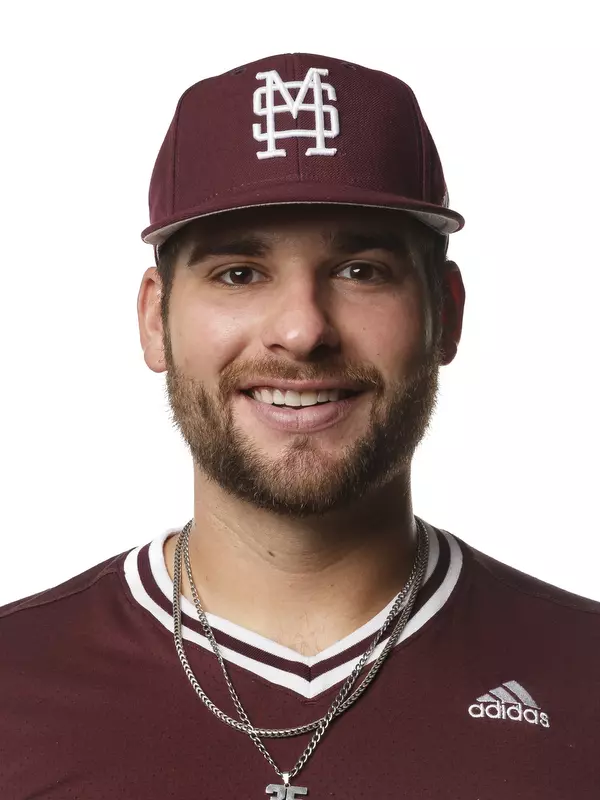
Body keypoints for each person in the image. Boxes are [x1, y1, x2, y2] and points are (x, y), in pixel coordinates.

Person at [0, 52, 598, 799]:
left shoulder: (586, 678)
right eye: (240, 273)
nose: (303, 331)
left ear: (446, 313)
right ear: (156, 319)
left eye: (361, 271)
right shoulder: (13, 687)